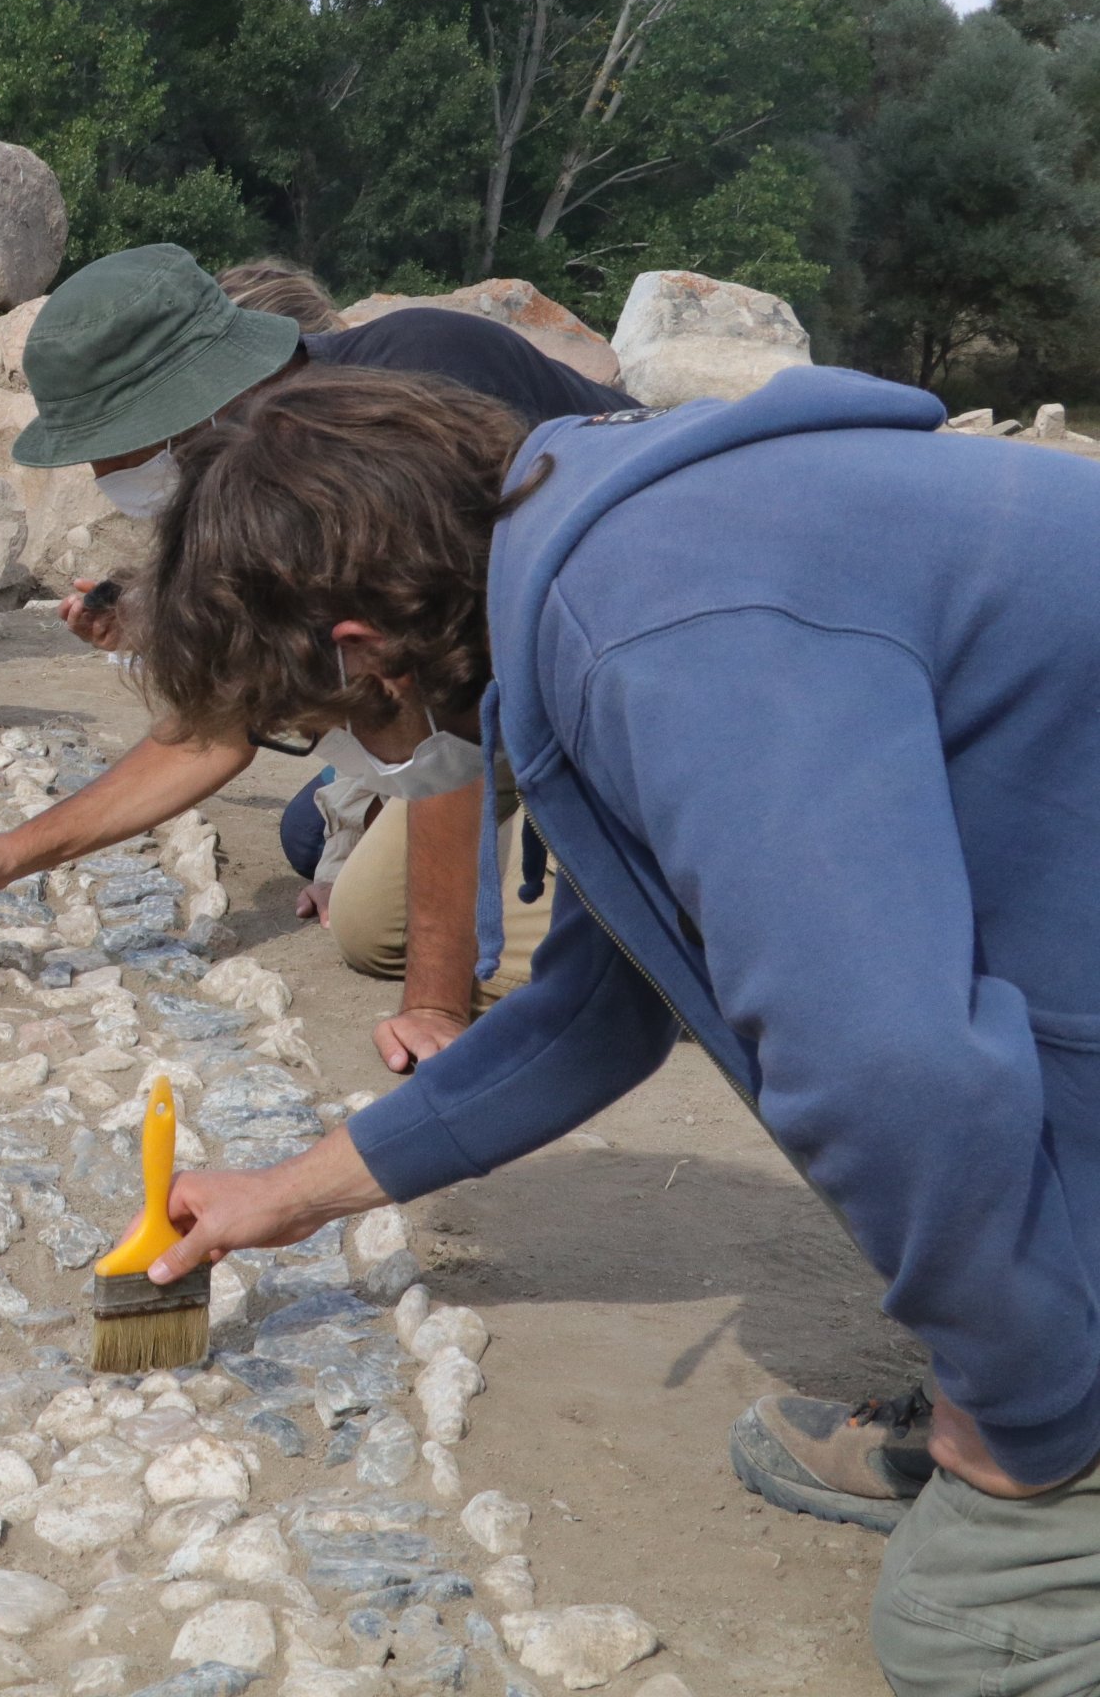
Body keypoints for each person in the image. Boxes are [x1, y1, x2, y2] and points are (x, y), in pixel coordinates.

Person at [82, 366, 1100, 1697]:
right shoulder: (591, 557)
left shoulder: (655, 626)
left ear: (360, 652)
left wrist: (1021, 1424)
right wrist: (291, 1195)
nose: (343, 751)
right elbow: (598, 1005)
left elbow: (884, 1066)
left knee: (968, 1634)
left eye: (318, 722)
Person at [0, 245, 635, 1071]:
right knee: (313, 844)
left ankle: (684, 939)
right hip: (496, 702)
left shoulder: (414, 380)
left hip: (618, 689)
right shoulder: (247, 480)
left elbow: (439, 699)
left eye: (117, 442)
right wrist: (11, 852)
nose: (107, 472)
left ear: (198, 403)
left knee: (378, 922)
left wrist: (434, 1004)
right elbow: (222, 720)